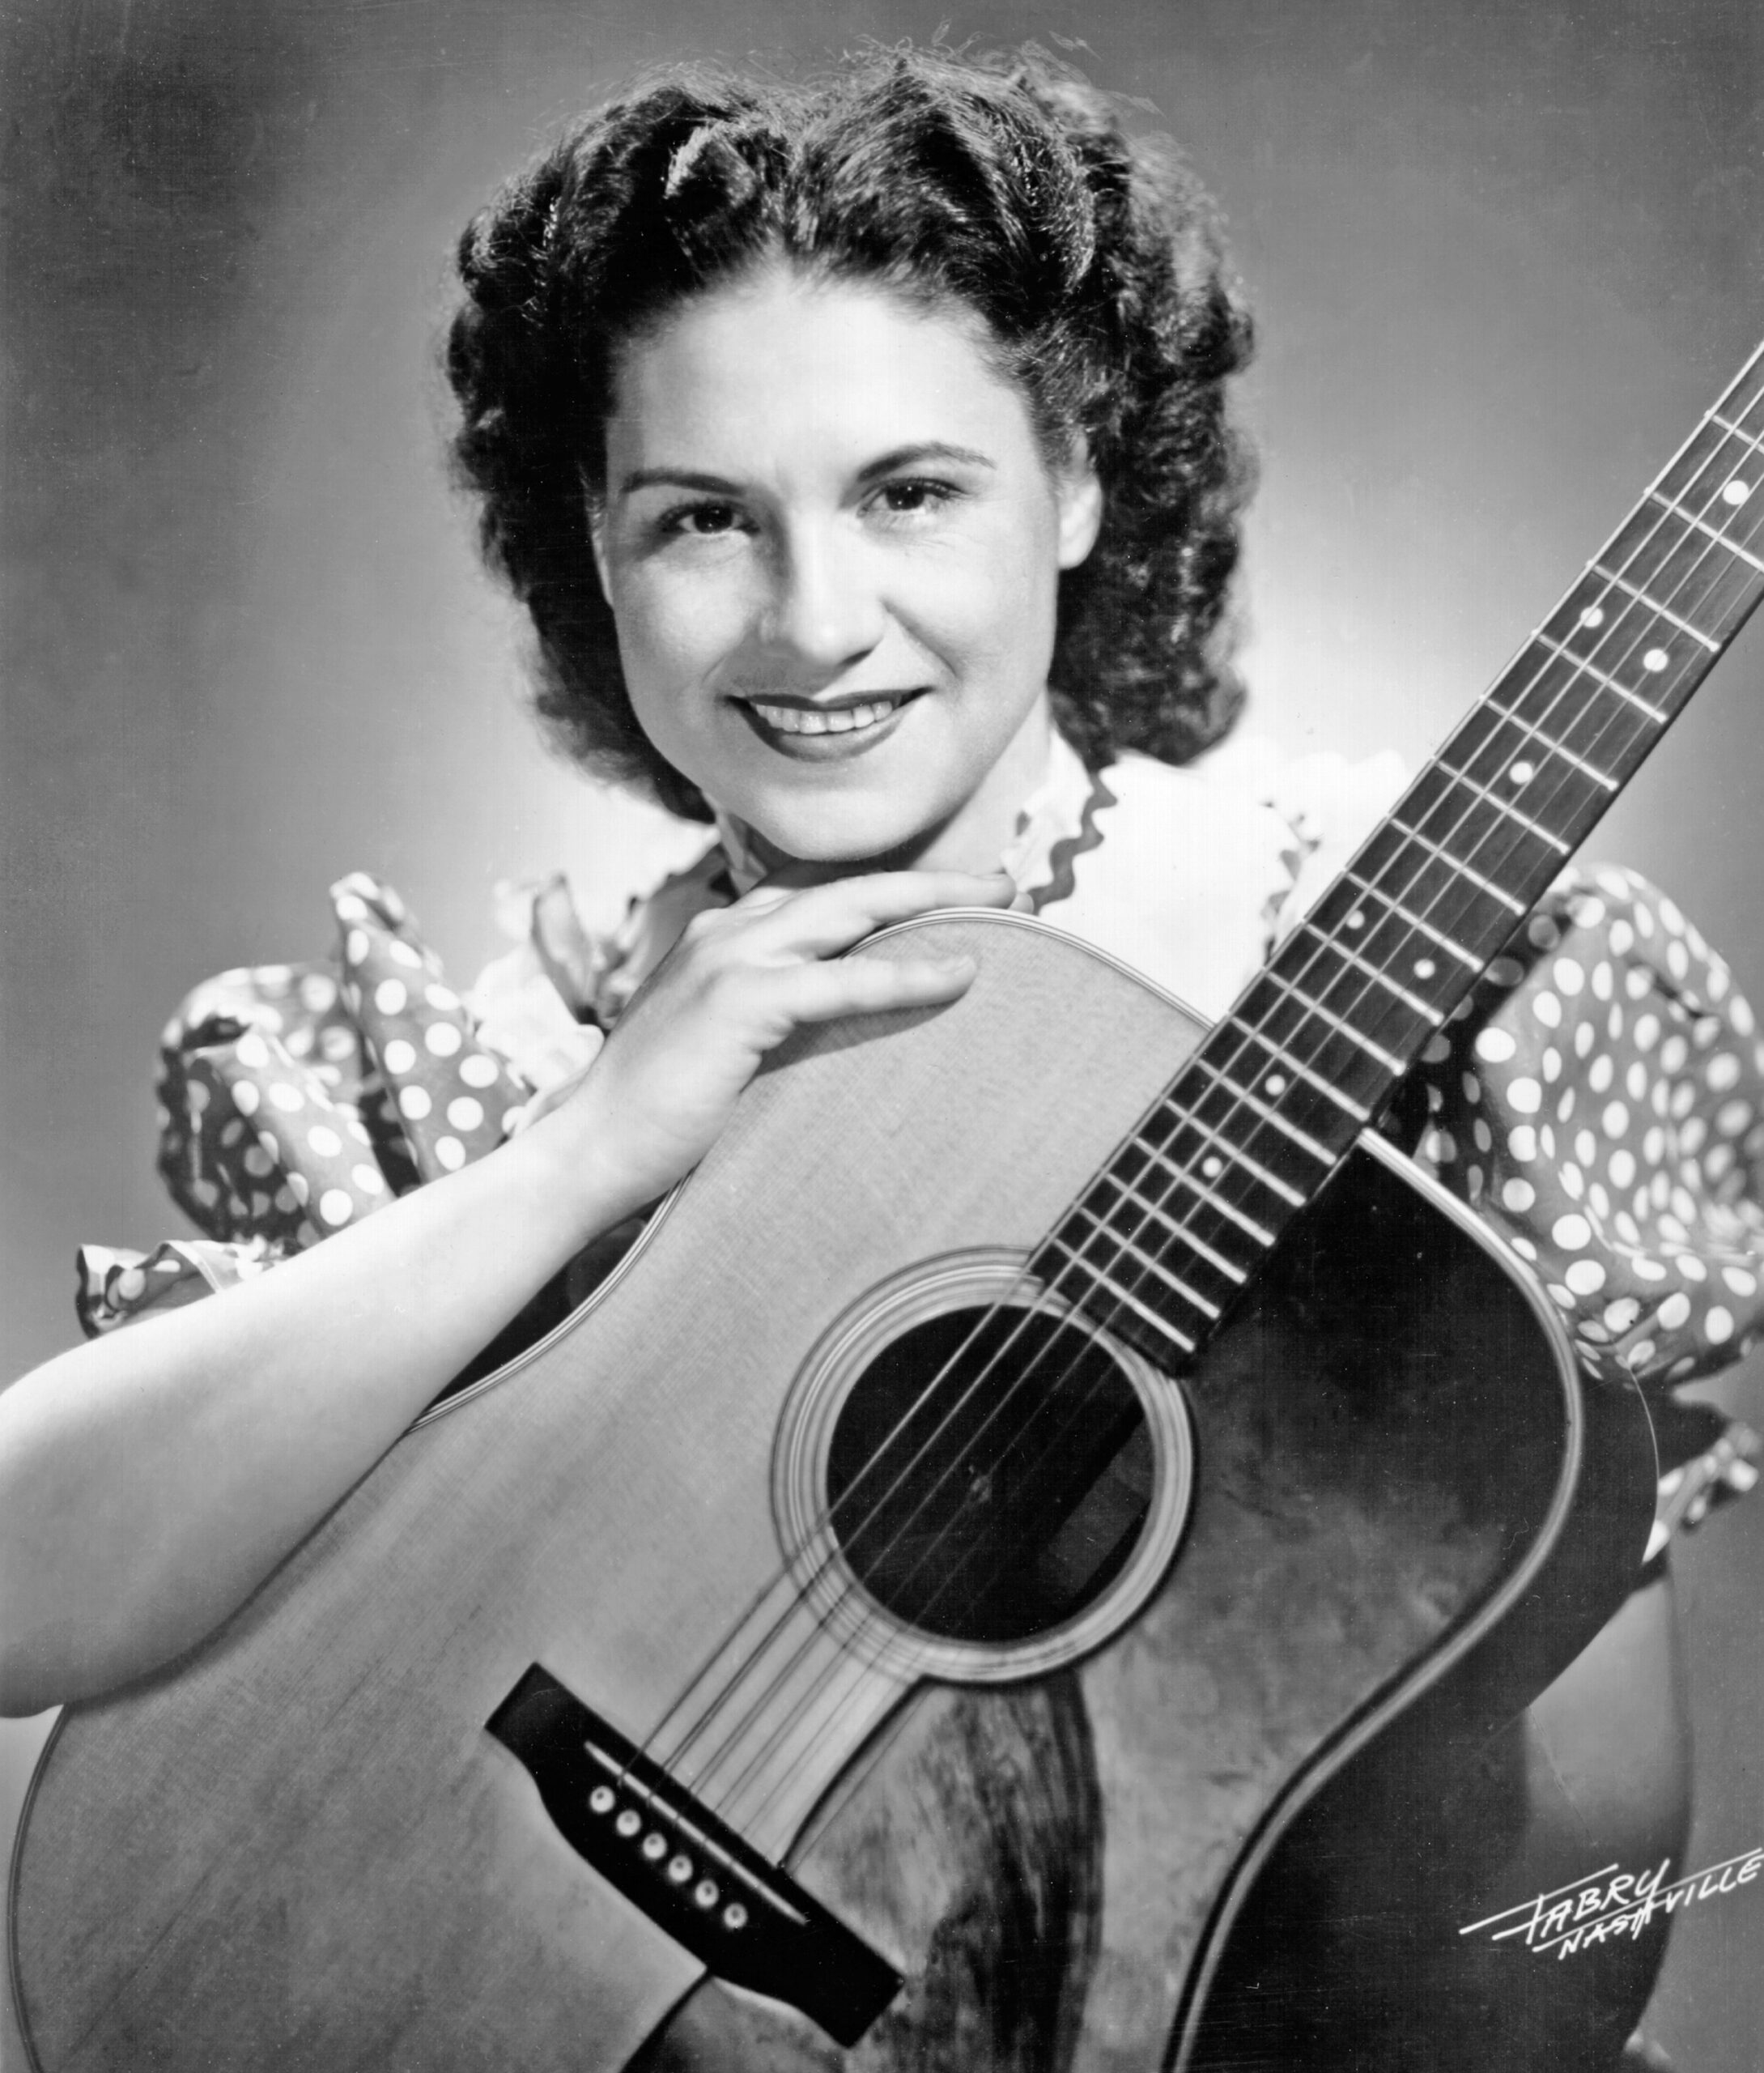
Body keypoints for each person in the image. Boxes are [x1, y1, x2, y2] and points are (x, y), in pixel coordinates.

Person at [0, 45, 1756, 2072]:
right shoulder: (513, 1068)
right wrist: (580, 1158)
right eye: (701, 520)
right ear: (589, 535)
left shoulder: (1428, 984)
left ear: (1080, 482)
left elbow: (1572, 1933)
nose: (813, 620)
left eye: (910, 492)